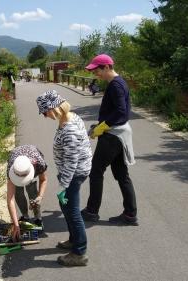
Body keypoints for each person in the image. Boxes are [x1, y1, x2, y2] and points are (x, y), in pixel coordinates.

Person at [36, 90, 92, 267]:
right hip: (74, 172)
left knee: (72, 211)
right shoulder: (69, 117)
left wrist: (62, 187)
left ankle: (79, 253)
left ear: (53, 109)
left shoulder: (69, 129)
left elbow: (71, 163)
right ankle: (74, 239)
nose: (45, 116)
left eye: (44, 112)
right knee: (66, 207)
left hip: (74, 174)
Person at [81, 54, 138, 226]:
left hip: (113, 136)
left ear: (106, 67)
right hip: (118, 134)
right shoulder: (118, 83)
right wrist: (100, 126)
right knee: (122, 175)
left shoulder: (116, 86)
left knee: (96, 171)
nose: (95, 74)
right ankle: (130, 214)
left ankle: (92, 211)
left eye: (97, 70)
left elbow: (122, 112)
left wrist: (102, 127)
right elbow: (119, 111)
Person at [6, 145, 48, 242]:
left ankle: (38, 218)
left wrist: (40, 197)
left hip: (32, 162)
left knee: (32, 189)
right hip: (16, 159)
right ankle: (25, 216)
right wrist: (15, 224)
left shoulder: (39, 163)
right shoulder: (11, 169)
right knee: (18, 192)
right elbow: (10, 200)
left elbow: (43, 180)